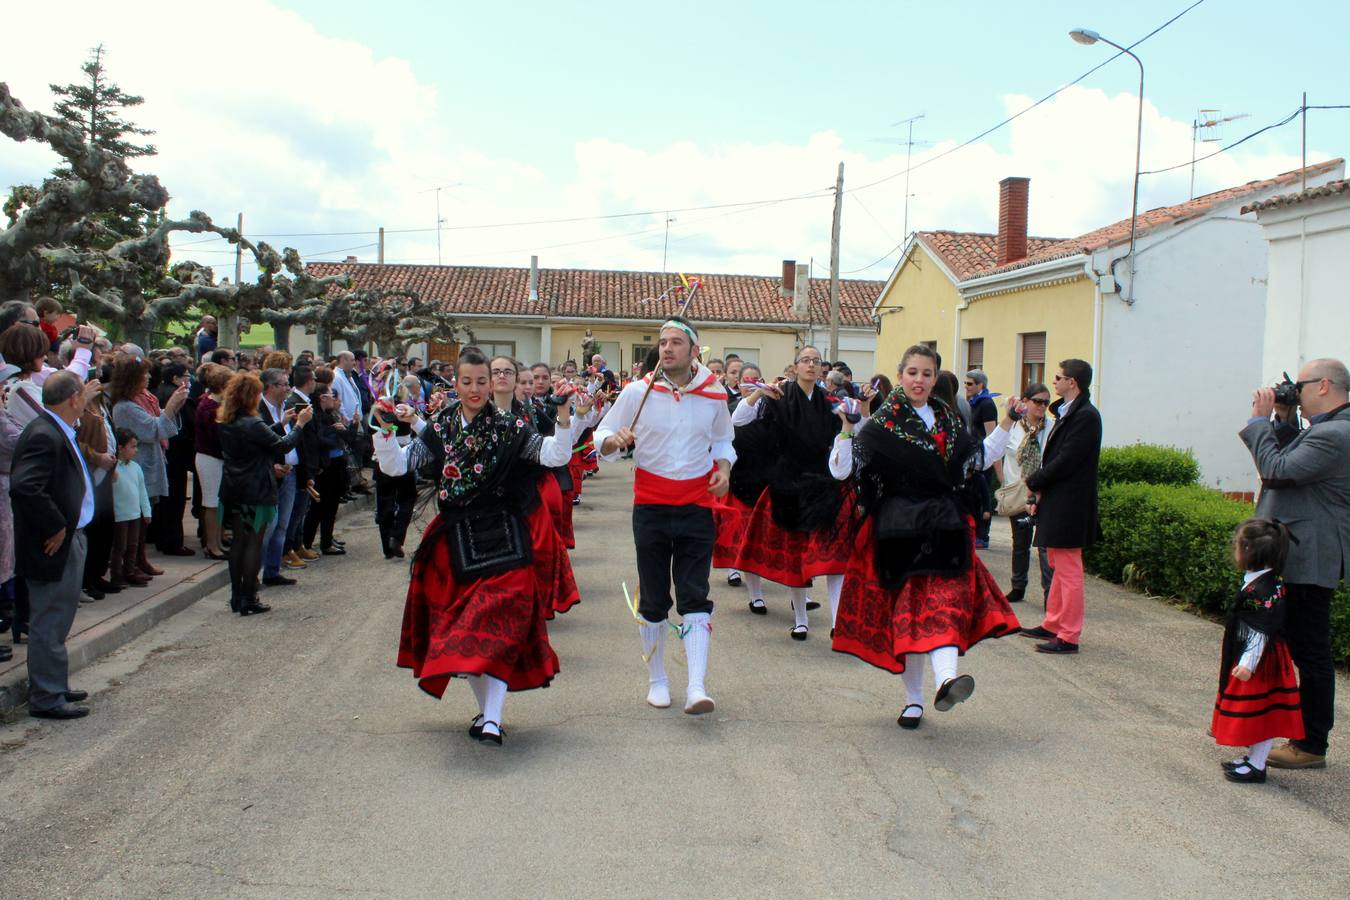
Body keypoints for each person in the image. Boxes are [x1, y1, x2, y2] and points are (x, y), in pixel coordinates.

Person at [373, 349, 576, 747]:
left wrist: (566, 417)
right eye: (467, 382)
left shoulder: (511, 425)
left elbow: (553, 455)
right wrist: (381, 430)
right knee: (463, 635)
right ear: (456, 384)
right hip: (453, 539)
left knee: (499, 625)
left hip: (503, 533)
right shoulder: (442, 426)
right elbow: (396, 465)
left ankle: (493, 720)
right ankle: (489, 715)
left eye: (481, 381)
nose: (475, 389)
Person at [828, 344, 1021, 730]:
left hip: (944, 524)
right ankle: (913, 701)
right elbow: (842, 471)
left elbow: (976, 459)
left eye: (927, 373)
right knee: (908, 615)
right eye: (913, 372)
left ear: (936, 378)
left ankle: (947, 678)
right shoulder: (882, 422)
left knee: (945, 602)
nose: (919, 380)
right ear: (900, 375)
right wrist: (847, 430)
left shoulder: (947, 420)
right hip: (898, 528)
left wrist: (1005, 423)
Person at [594, 317, 734, 715]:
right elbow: (600, 438)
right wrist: (613, 441)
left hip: (696, 505)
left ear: (694, 350)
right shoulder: (638, 393)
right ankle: (657, 680)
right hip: (652, 506)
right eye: (662, 343)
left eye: (676, 342)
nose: (666, 349)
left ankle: (696, 686)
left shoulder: (714, 394)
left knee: (694, 594)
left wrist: (723, 469)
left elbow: (723, 439)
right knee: (654, 597)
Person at [1239, 357, 1350, 770]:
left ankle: (1310, 744)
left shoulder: (1337, 433)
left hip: (1309, 557)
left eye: (1298, 387)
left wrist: (1260, 422)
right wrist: (1284, 421)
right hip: (1299, 553)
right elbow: (1294, 457)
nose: (1295, 394)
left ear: (1323, 386)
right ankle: (1281, 732)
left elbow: (1277, 469)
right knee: (1295, 648)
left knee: (1310, 652)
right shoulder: (1325, 430)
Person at [730, 346, 851, 639]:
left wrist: (859, 415)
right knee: (798, 558)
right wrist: (759, 393)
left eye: (816, 361)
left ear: (822, 369)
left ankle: (838, 621)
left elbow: (849, 433)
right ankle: (800, 619)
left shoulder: (830, 400)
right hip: (789, 485)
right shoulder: (779, 396)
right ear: (795, 367)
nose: (811, 365)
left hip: (824, 483)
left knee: (835, 558)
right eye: (806, 360)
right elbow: (738, 421)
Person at [9, 372, 96, 719]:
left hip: (68, 536)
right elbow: (25, 486)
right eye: (83, 394)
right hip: (52, 542)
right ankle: (46, 696)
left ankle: (54, 684)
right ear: (74, 398)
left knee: (59, 619)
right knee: (49, 618)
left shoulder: (56, 429)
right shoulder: (45, 434)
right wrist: (57, 523)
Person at [1212, 518, 1304, 783]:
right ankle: (1253, 758)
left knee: (1263, 713)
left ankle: (1257, 764)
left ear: (1249, 551)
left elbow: (1260, 630)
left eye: (1237, 546)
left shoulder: (1260, 590)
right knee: (1263, 712)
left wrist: (1247, 664)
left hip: (1261, 662)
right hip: (1262, 657)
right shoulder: (1266, 580)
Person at [1022, 359, 1102, 655]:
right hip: (1058, 500)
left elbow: (1067, 459)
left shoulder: (1087, 417)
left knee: (1068, 569)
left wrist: (1036, 480)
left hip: (1071, 504)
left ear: (1073, 382)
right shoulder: (1069, 413)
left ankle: (1069, 634)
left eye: (1059, 377)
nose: (1054, 382)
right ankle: (1053, 622)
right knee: (1057, 563)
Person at [216, 372, 313, 616]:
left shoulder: (228, 420)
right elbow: (282, 445)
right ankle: (249, 596)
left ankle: (237, 596)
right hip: (255, 488)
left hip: (233, 486)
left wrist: (279, 424)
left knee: (239, 542)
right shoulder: (251, 422)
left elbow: (256, 438)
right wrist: (299, 424)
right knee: (253, 543)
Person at [996, 382, 1055, 604]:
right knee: (1020, 542)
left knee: (1044, 546)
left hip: (1044, 491)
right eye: (1038, 401)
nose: (1042, 406)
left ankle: (1049, 592)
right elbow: (997, 452)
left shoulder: (1051, 427)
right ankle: (1018, 586)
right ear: (1026, 401)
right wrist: (1004, 480)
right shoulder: (1013, 426)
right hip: (1018, 491)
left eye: (1046, 402)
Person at [257, 368, 306, 587]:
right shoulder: (258, 409)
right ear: (270, 387)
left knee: (282, 525)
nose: (288, 388)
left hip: (290, 472)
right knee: (269, 524)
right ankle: (254, 574)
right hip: (270, 474)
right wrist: (271, 465)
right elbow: (260, 442)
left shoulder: (286, 407)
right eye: (284, 384)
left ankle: (272, 571)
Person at [150, 361, 196, 557]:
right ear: (176, 378)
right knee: (174, 500)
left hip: (171, 452)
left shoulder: (162, 391)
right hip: (175, 453)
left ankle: (164, 538)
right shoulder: (175, 395)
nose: (188, 380)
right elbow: (180, 424)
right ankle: (172, 541)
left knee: (167, 501)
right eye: (186, 376)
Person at [193, 363, 233, 559]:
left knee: (218, 503)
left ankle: (217, 541)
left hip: (214, 458)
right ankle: (212, 544)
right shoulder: (209, 407)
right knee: (211, 503)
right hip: (209, 458)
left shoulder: (214, 404)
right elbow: (215, 438)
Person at [109, 428, 153, 589]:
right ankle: (116, 575)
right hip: (119, 515)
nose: (136, 450)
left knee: (133, 545)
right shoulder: (113, 469)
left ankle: (130, 571)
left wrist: (146, 511)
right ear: (120, 448)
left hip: (135, 514)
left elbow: (142, 491)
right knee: (119, 546)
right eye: (132, 446)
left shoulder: (135, 468)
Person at [965, 371, 999, 548]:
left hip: (983, 457)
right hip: (972, 456)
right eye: (965, 383)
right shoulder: (972, 402)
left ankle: (983, 535)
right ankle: (975, 531)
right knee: (973, 496)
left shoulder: (986, 404)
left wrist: (988, 457)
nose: (966, 386)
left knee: (982, 494)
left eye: (970, 384)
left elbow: (991, 433)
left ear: (981, 385)